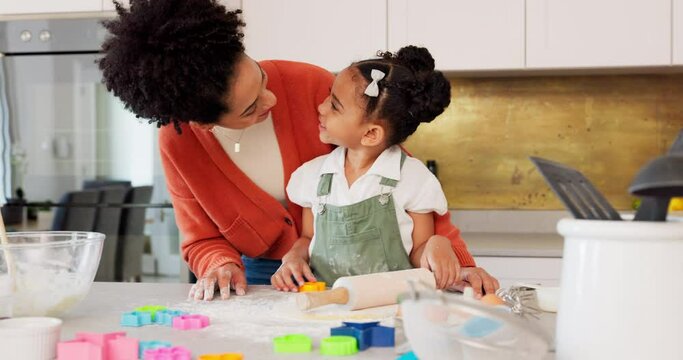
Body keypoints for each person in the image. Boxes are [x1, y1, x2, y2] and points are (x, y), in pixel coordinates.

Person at [98, 0, 499, 301]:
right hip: (266, 278)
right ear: (204, 122)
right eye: (252, 107)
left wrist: (458, 262)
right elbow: (201, 239)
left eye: (260, 77)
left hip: (373, 269)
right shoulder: (179, 144)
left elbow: (397, 176)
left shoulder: (308, 84)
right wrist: (218, 265)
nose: (271, 99)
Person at [271, 46, 467, 291]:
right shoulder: (313, 176)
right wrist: (294, 257)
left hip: (391, 305)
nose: (321, 108)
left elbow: (418, 251)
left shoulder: (413, 179)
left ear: (371, 133)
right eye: (328, 96)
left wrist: (438, 244)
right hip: (327, 304)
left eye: (334, 105)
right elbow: (309, 239)